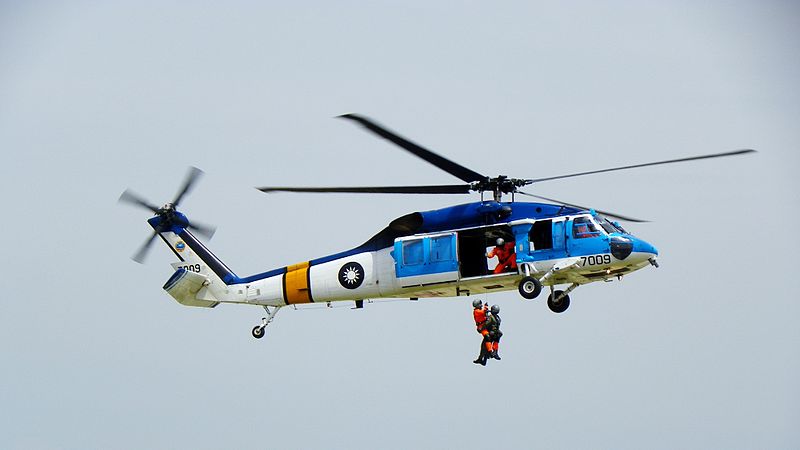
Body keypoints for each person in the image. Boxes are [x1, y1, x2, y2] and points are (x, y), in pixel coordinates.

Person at [472, 299, 490, 365]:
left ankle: (482, 359)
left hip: (485, 327)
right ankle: (483, 359)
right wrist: (486, 306)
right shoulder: (476, 311)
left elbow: (484, 314)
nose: (481, 305)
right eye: (480, 304)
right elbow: (484, 312)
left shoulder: (477, 311)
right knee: (485, 344)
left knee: (485, 344)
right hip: (483, 328)